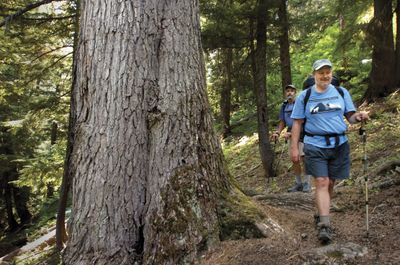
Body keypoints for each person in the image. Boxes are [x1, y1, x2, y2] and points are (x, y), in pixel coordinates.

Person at [290, 59, 369, 244]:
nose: (325, 76)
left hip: (339, 144)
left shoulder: (341, 92)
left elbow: (350, 116)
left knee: (331, 183)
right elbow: (297, 123)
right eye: (321, 72)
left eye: (328, 72)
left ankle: (320, 213)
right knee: (322, 181)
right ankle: (325, 226)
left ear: (331, 73)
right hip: (314, 144)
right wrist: (294, 147)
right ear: (314, 74)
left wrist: (359, 116)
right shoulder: (305, 96)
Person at [271, 84, 312, 193]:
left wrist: (292, 133)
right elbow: (282, 121)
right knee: (295, 159)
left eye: (292, 91)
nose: (289, 93)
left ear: (295, 92)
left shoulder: (300, 103)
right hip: (290, 133)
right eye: (287, 91)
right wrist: (277, 132)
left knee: (304, 158)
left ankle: (307, 183)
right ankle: (298, 183)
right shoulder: (284, 106)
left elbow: (302, 121)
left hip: (303, 133)